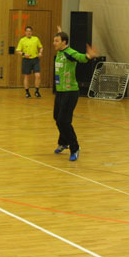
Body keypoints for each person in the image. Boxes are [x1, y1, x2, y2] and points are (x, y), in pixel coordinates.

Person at [52, 29, 98, 161]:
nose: (54, 43)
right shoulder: (60, 51)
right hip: (60, 91)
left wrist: (88, 56)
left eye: (57, 41)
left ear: (64, 42)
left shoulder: (69, 53)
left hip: (70, 92)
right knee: (57, 117)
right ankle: (63, 142)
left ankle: (75, 147)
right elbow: (63, 42)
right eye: (54, 40)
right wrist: (60, 33)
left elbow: (80, 57)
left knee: (64, 121)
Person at [16, 25, 43, 98]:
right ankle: (27, 92)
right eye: (27, 31)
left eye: (30, 31)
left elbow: (41, 47)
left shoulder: (36, 39)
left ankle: (37, 91)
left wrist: (40, 52)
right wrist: (24, 54)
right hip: (26, 60)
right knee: (27, 76)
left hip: (35, 59)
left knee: (38, 75)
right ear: (25, 32)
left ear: (32, 32)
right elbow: (18, 51)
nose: (29, 32)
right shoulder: (22, 40)